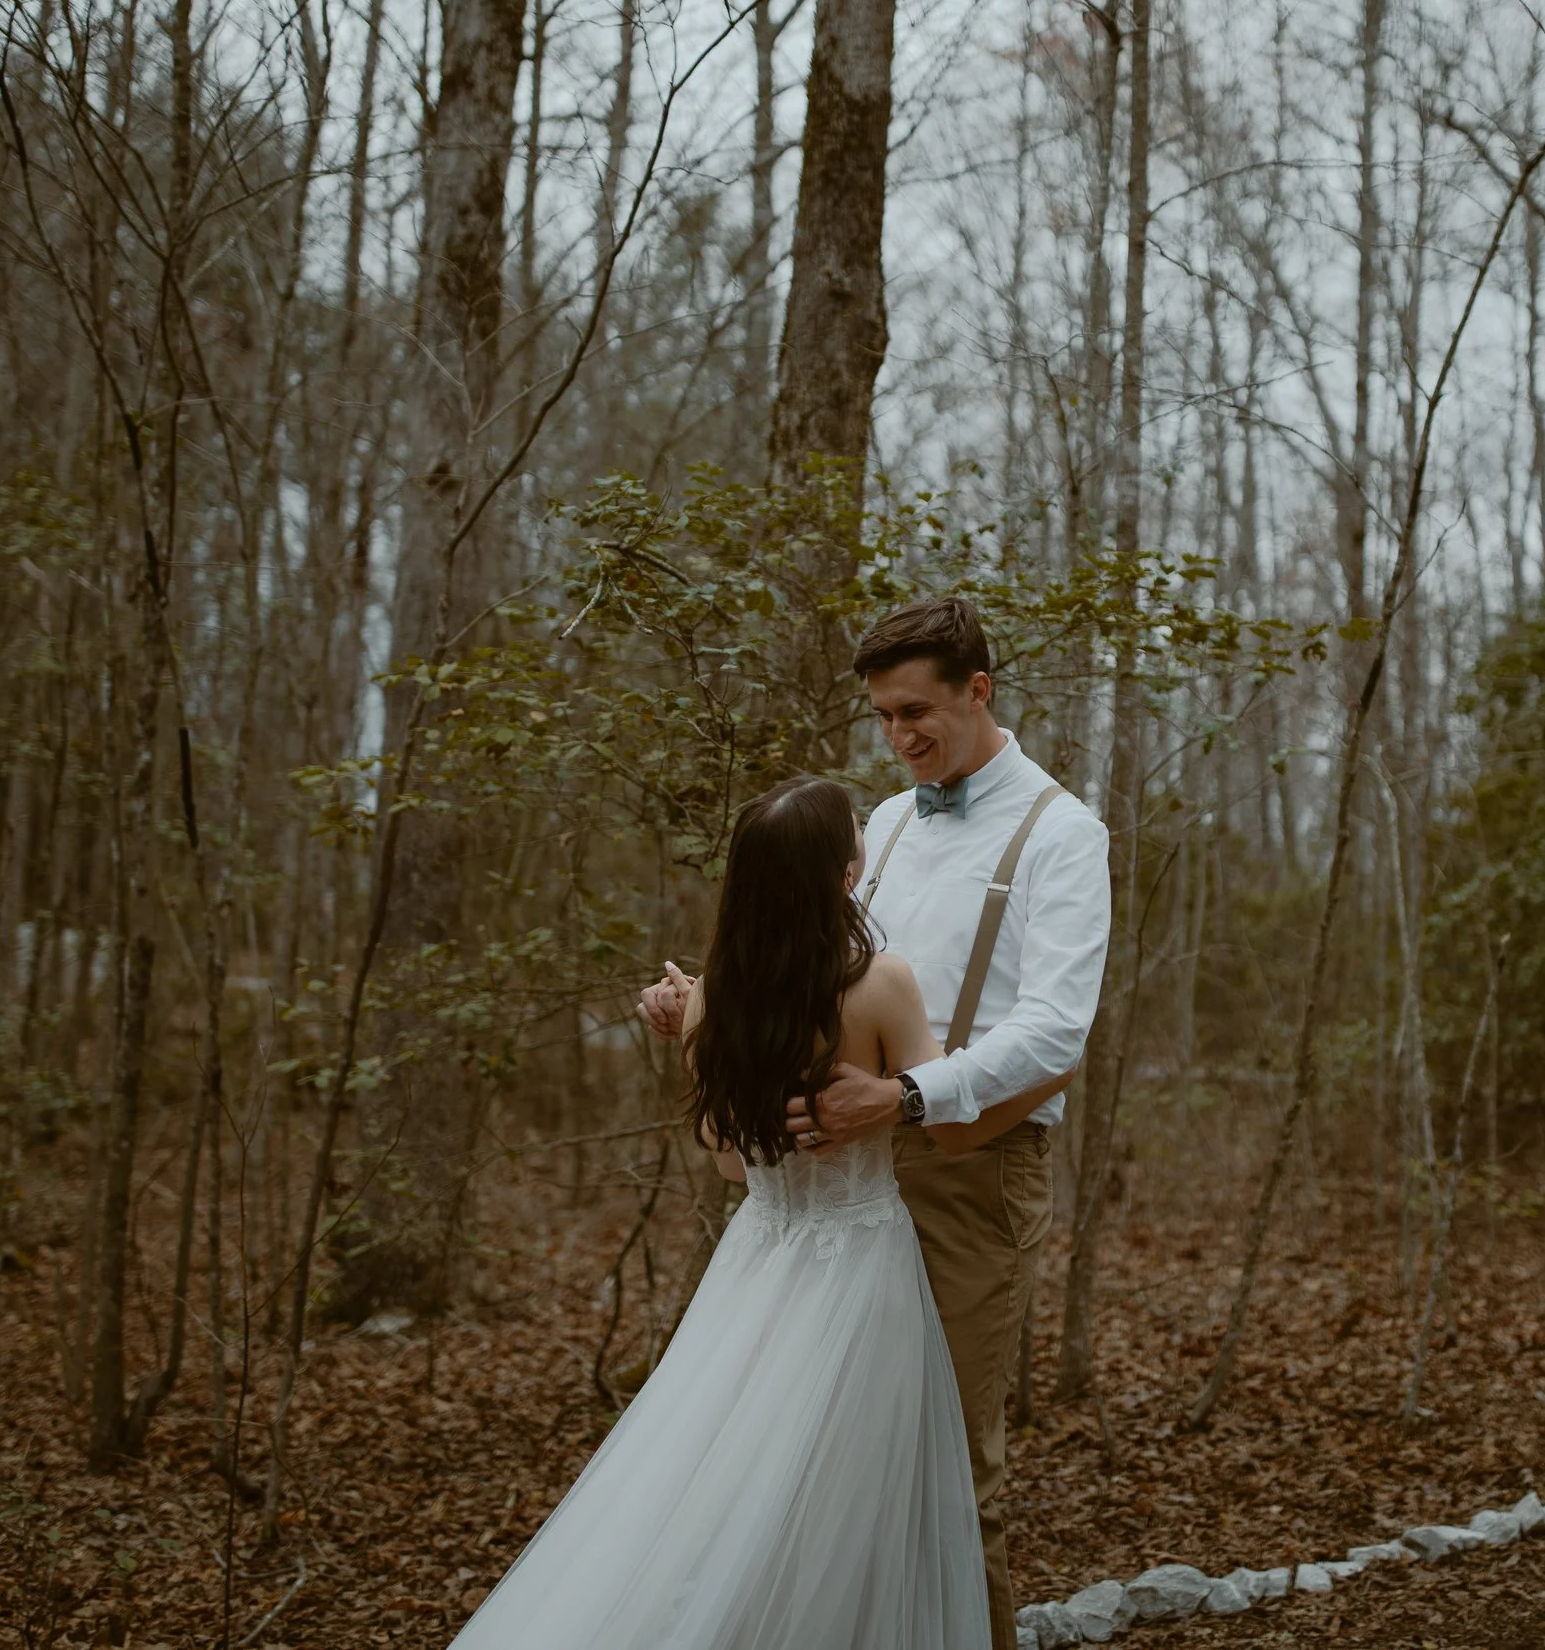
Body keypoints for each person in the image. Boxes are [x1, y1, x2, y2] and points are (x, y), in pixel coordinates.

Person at [454, 775, 1052, 1649]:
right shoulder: (883, 984)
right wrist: (1039, 1068)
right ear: (842, 876)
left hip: (758, 1261)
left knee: (730, 1470)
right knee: (862, 1487)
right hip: (867, 1266)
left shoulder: (707, 998)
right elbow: (947, 1120)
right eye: (857, 840)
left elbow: (731, 1160)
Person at [640, 597, 1113, 1638]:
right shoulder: (889, 820)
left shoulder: (1063, 833)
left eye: (916, 713)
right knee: (811, 1458)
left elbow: (1053, 1029)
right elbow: (823, 970)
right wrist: (709, 1008)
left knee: (942, 1456)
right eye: (883, 718)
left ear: (977, 690)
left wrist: (905, 1095)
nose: (898, 739)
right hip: (829, 1182)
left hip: (966, 1165)